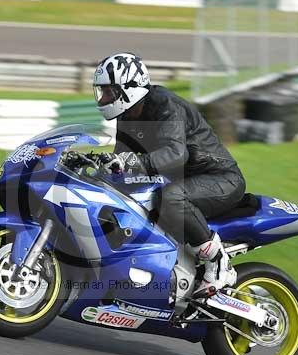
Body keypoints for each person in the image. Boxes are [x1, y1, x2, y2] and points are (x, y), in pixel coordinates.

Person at [93, 52, 246, 297]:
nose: (104, 98)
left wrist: (129, 162)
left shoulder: (164, 104)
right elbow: (122, 160)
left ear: (127, 89)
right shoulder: (128, 114)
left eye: (109, 91)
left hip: (219, 178)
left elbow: (176, 154)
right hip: (183, 179)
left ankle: (217, 263)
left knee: (171, 197)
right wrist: (97, 172)